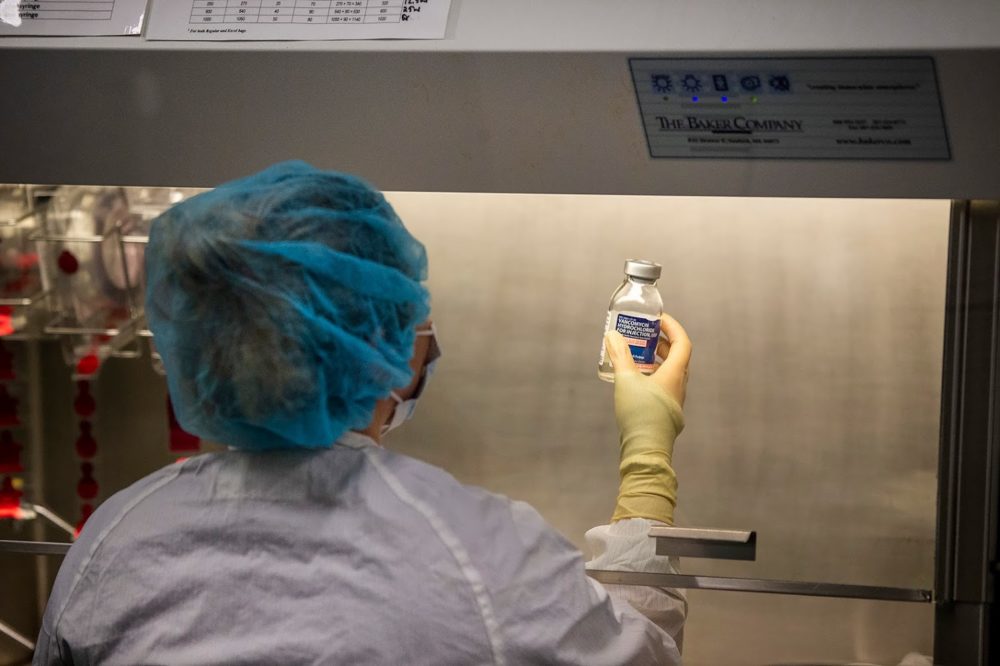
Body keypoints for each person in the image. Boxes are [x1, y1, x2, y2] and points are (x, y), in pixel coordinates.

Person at [34, 162, 692, 665]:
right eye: (415, 319)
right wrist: (648, 457)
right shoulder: (485, 555)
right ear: (391, 346)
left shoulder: (114, 540)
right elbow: (644, 650)